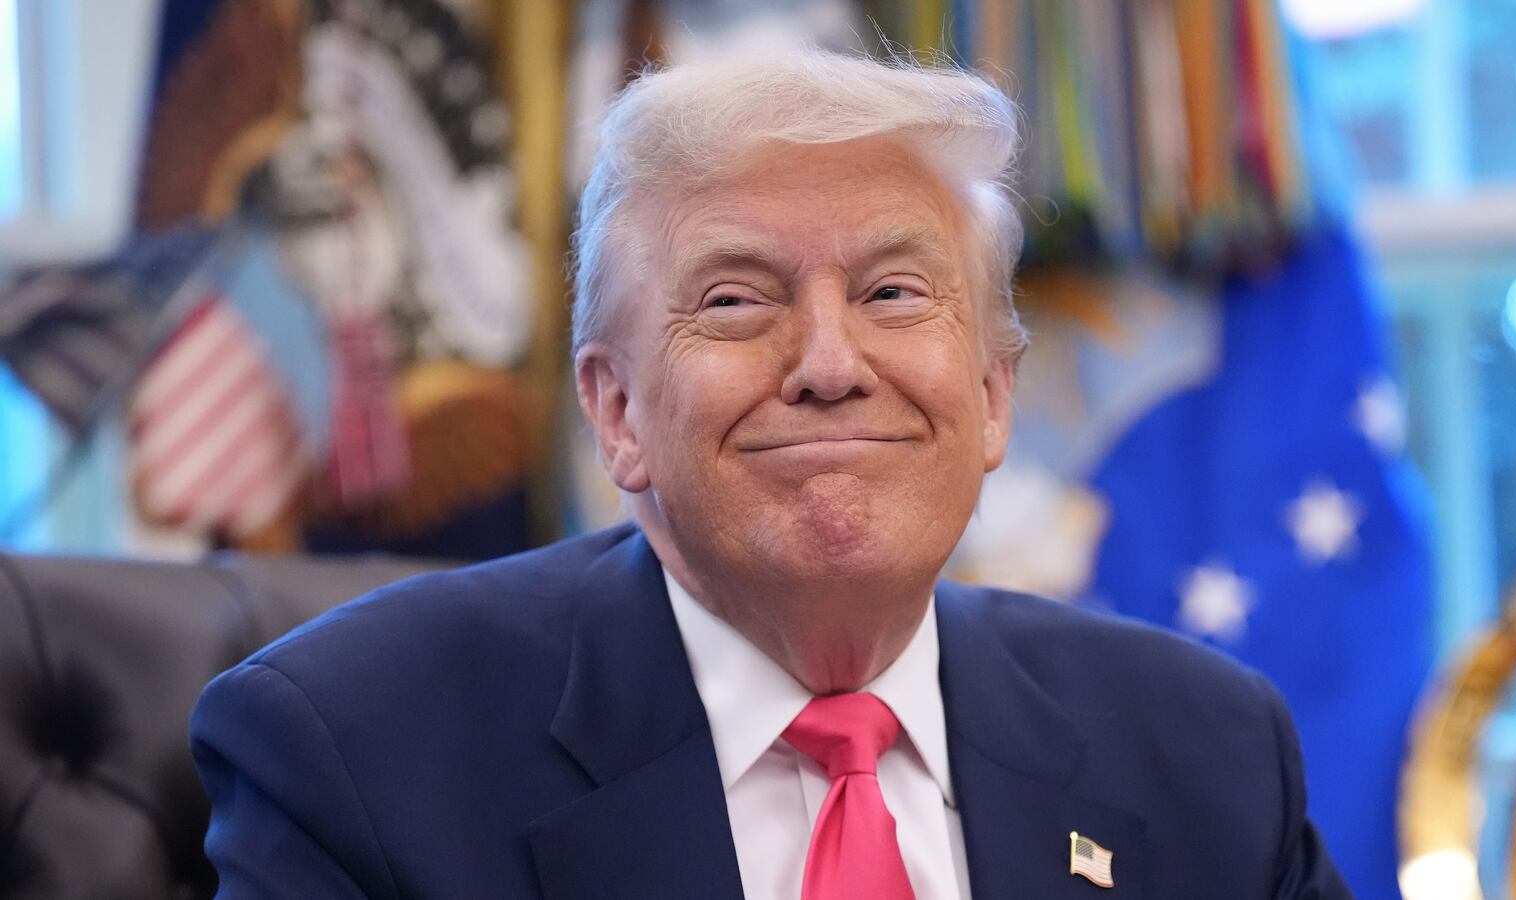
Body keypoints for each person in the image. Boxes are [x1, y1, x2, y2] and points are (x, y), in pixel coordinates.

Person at [190, 50, 1353, 899]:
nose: (831, 366)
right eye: (737, 300)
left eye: (895, 292)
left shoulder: (1207, 751)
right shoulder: (353, 752)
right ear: (617, 409)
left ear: (994, 394)